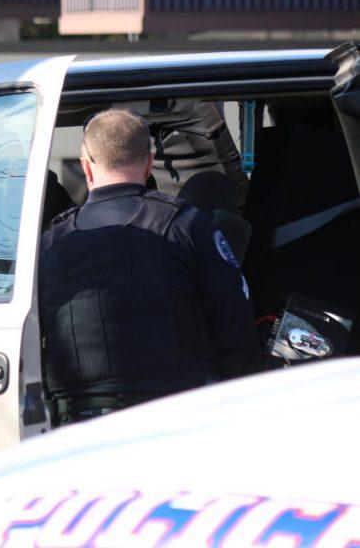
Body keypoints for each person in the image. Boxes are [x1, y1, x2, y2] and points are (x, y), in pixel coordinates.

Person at [39, 108, 264, 424]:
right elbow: (235, 327)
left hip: (82, 429)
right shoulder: (187, 225)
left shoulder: (52, 240)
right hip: (177, 420)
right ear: (148, 163)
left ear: (86, 168)